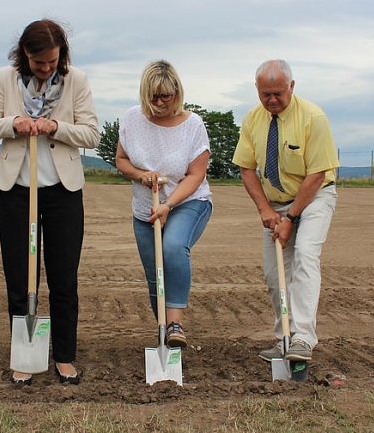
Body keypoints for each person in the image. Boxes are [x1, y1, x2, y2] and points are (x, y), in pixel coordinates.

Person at [0, 19, 99, 385]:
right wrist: (15, 122)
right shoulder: (4, 79)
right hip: (16, 190)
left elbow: (92, 132)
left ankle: (64, 356)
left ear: (61, 55)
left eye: (50, 61)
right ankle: (23, 356)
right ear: (24, 54)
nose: (44, 69)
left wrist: (54, 127)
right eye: (36, 62)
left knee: (63, 278)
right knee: (19, 276)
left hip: (62, 191)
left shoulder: (77, 81)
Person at [232, 59, 338, 362]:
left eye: (278, 93)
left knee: (305, 254)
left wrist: (291, 218)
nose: (272, 100)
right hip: (275, 203)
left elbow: (317, 174)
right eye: (266, 94)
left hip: (315, 196)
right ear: (257, 90)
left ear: (291, 87)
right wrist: (265, 209)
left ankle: (303, 338)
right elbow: (247, 168)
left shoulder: (313, 117)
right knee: (275, 273)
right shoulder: (253, 120)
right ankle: (283, 339)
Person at [115, 60, 212, 349]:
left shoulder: (193, 125)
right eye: (153, 96)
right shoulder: (132, 119)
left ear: (177, 93)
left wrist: (169, 205)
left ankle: (175, 322)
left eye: (165, 96)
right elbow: (121, 160)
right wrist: (140, 175)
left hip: (187, 202)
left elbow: (196, 174)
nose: (159, 103)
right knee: (153, 270)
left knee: (171, 249)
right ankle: (165, 332)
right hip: (145, 207)